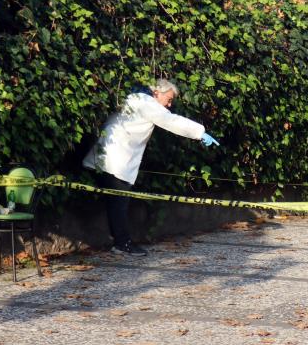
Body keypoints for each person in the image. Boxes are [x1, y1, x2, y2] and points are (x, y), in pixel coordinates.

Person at [83, 79, 219, 256]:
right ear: (157, 93)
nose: (169, 105)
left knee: (115, 202)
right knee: (119, 203)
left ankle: (120, 241)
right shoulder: (147, 103)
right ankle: (122, 244)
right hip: (115, 161)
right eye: (168, 100)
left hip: (105, 157)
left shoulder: (134, 98)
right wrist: (200, 132)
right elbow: (170, 120)